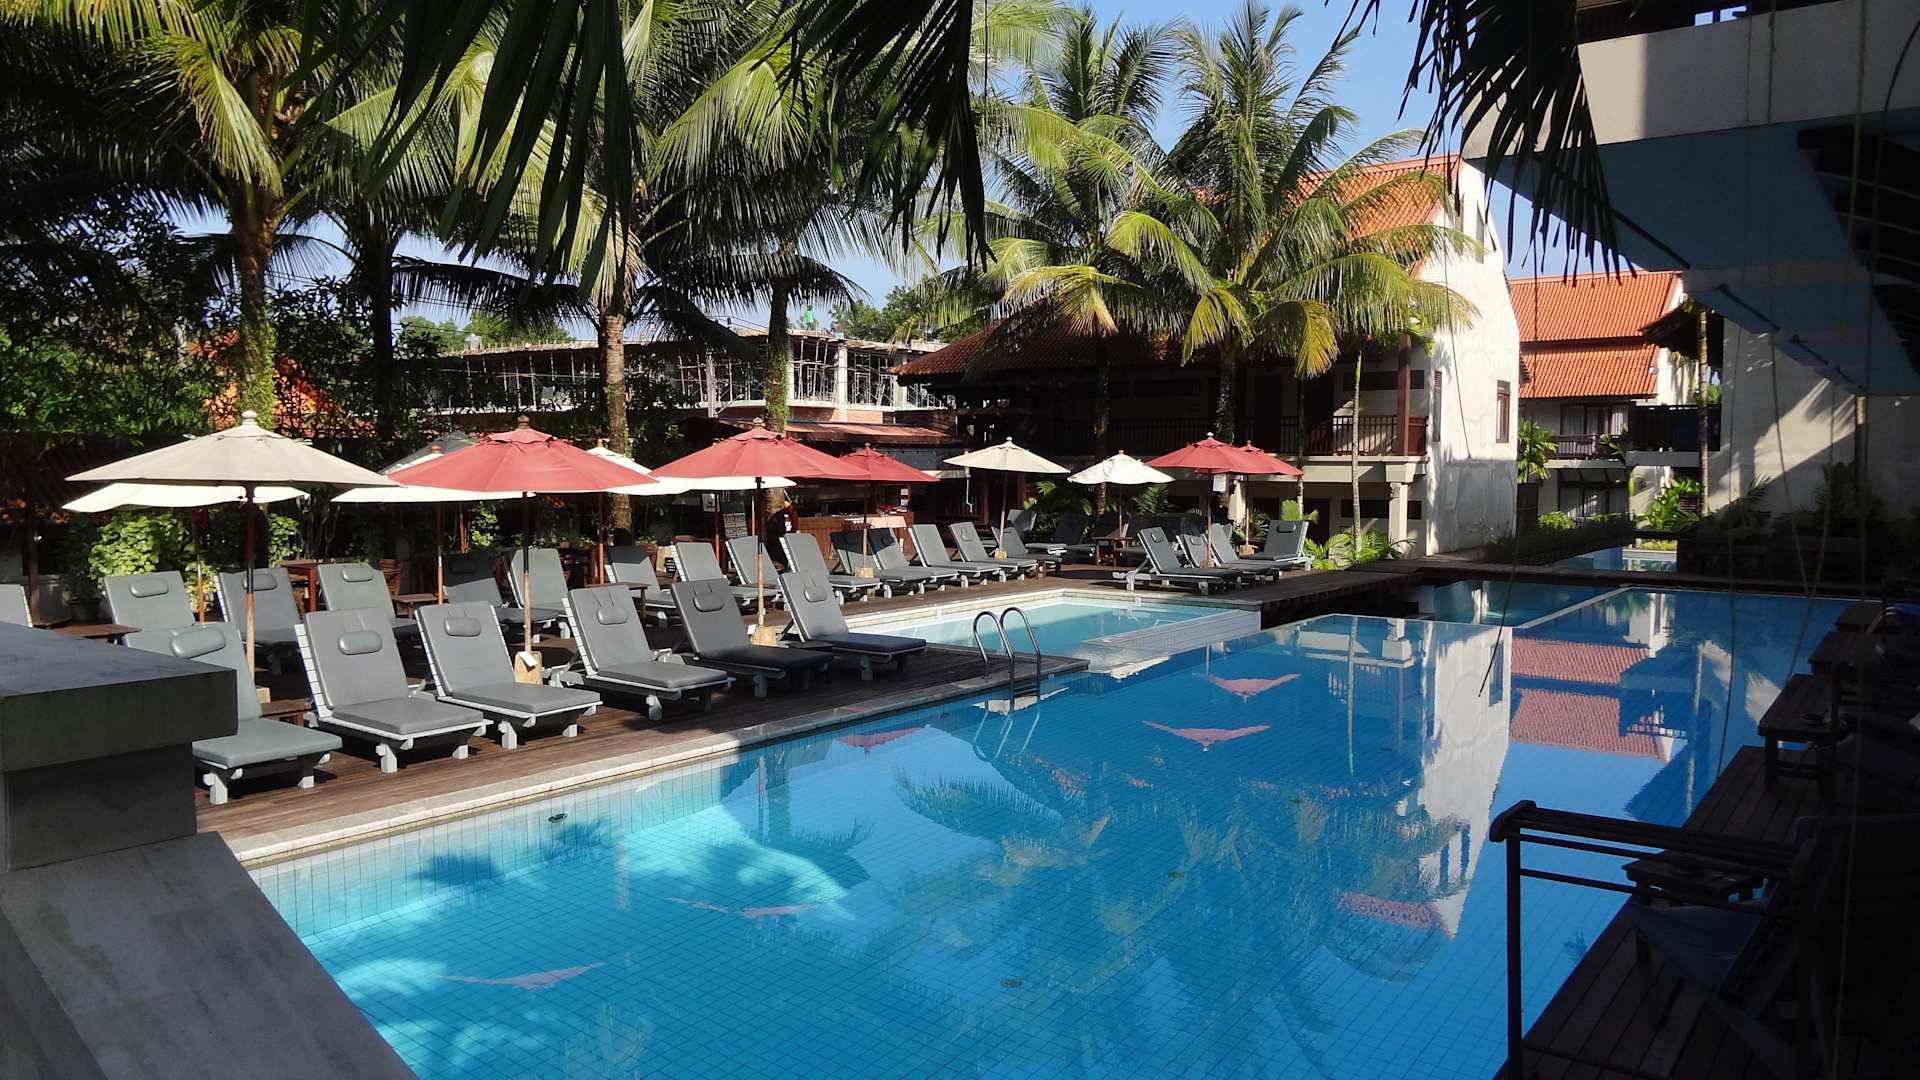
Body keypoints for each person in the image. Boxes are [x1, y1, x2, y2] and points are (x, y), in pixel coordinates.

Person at [763, 489, 799, 570]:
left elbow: (793, 514)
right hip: (772, 537)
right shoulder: (764, 504)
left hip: (778, 536)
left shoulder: (784, 504)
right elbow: (793, 514)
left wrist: (792, 531)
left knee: (779, 560)